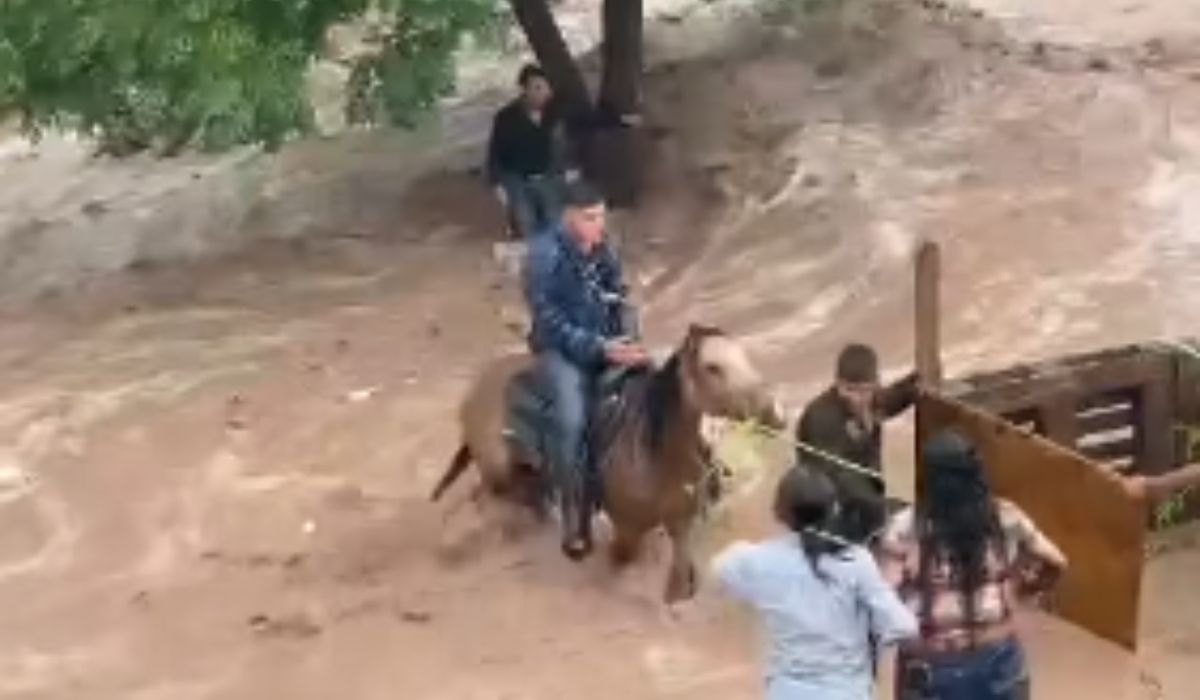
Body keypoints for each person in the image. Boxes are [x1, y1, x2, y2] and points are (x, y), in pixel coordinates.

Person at [879, 430, 1067, 700]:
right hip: (998, 656)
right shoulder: (1005, 517)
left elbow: (883, 600)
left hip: (930, 663)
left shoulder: (905, 528)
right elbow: (1056, 561)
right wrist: (1022, 592)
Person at [712, 465, 918, 700]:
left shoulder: (757, 561)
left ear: (778, 512)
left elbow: (718, 570)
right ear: (834, 509)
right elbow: (902, 626)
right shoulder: (855, 560)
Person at [524, 179, 646, 559]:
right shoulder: (543, 256)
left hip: (608, 345)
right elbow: (549, 321)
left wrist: (628, 337)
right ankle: (574, 515)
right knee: (571, 421)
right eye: (591, 218)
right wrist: (599, 348)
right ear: (569, 217)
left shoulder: (602, 247)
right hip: (562, 352)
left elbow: (620, 293)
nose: (599, 225)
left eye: (601, 217)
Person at [797, 343, 919, 544]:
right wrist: (882, 511)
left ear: (875, 385)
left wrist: (914, 385)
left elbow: (891, 400)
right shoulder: (821, 418)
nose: (856, 399)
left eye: (863, 391)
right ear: (837, 383)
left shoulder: (872, 401)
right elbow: (839, 475)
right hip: (831, 514)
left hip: (865, 502)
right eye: (848, 390)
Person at [486, 64, 569, 238]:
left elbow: (566, 147)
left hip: (548, 177)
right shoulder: (505, 118)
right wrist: (497, 185)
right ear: (524, 89)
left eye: (546, 87)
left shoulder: (556, 114)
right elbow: (494, 154)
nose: (543, 93)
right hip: (516, 178)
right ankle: (517, 227)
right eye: (537, 87)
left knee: (555, 223)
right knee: (526, 223)